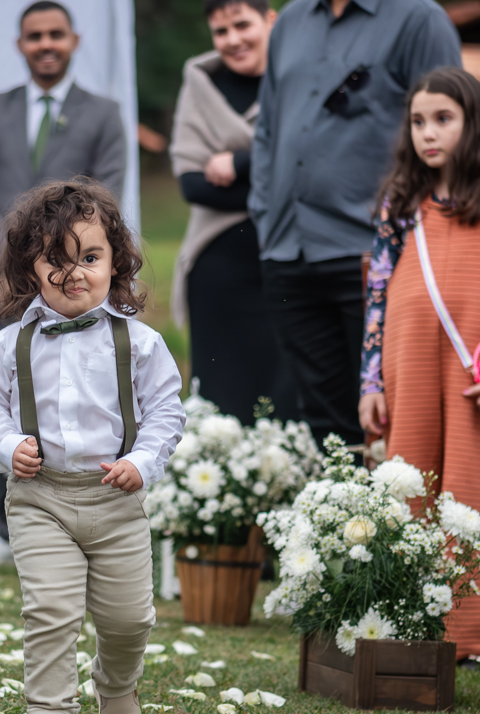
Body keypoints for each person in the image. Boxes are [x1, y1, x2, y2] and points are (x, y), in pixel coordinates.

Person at [0, 179, 184, 714]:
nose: (74, 273)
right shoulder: (8, 346)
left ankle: (116, 692)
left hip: (115, 499)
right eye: (55, 261)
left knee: (129, 618)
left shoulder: (139, 344)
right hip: (41, 498)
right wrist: (8, 443)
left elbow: (165, 411)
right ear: (29, 269)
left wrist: (141, 460)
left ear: (116, 262)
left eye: (89, 257)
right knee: (51, 609)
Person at [359, 68, 480, 669]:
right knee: (406, 490)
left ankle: (471, 639)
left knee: (472, 497)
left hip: (478, 378)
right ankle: (409, 624)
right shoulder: (401, 202)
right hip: (406, 367)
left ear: (475, 125)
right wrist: (370, 382)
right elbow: (379, 293)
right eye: (418, 121)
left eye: (443, 119)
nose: (428, 133)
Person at [249, 0, 462, 447]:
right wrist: (265, 215)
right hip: (288, 248)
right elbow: (267, 126)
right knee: (323, 423)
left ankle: (394, 517)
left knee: (396, 416)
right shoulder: (290, 21)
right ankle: (338, 515)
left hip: (376, 253)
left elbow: (451, 135)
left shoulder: (419, 20)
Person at [0, 0, 127, 564]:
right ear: (20, 45)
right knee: (0, 393)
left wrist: (63, 253)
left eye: (56, 34)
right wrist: (16, 246)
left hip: (76, 278)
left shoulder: (103, 114)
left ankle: (82, 523)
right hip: (1, 279)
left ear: (74, 41)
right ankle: (4, 526)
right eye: (35, 36)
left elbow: (107, 200)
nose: (46, 43)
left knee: (77, 392)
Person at [169, 0, 299, 425]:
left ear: (271, 20)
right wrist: (278, 181)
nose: (233, 40)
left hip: (288, 268)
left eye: (242, 25)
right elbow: (192, 183)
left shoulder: (298, 78)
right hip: (217, 275)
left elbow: (312, 162)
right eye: (221, 32)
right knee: (222, 400)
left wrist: (239, 164)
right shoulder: (201, 83)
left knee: (288, 396)